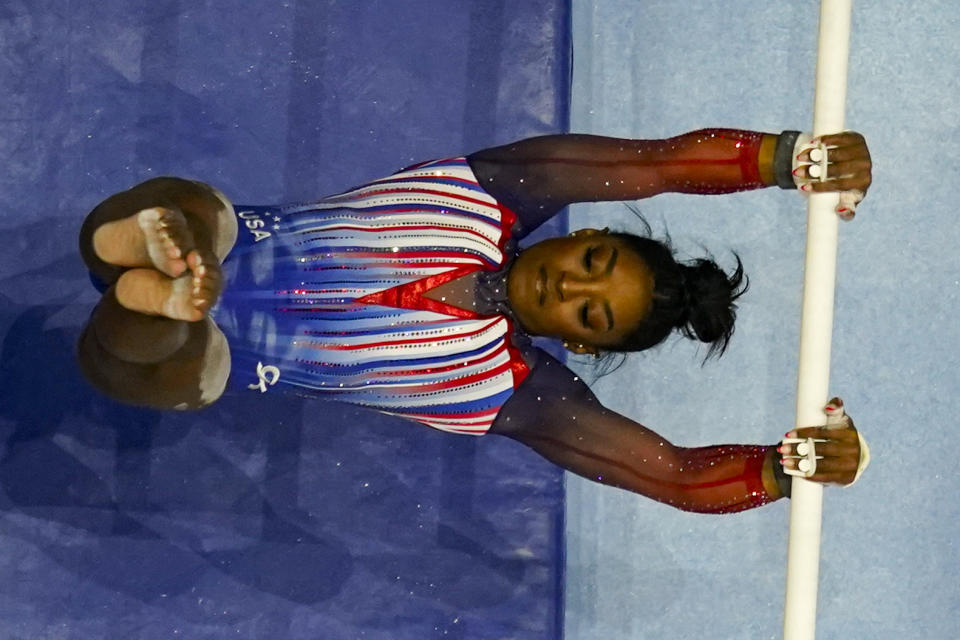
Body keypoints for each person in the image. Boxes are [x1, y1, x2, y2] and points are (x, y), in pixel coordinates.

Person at [76, 128, 872, 514]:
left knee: (162, 363)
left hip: (198, 347)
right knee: (189, 213)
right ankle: (155, 253)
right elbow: (657, 162)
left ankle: (160, 292)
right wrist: (785, 158)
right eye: (590, 262)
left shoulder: (520, 395)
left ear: (583, 341)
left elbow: (668, 475)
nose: (566, 283)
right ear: (587, 232)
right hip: (222, 237)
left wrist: (784, 467)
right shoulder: (494, 192)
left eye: (585, 310)